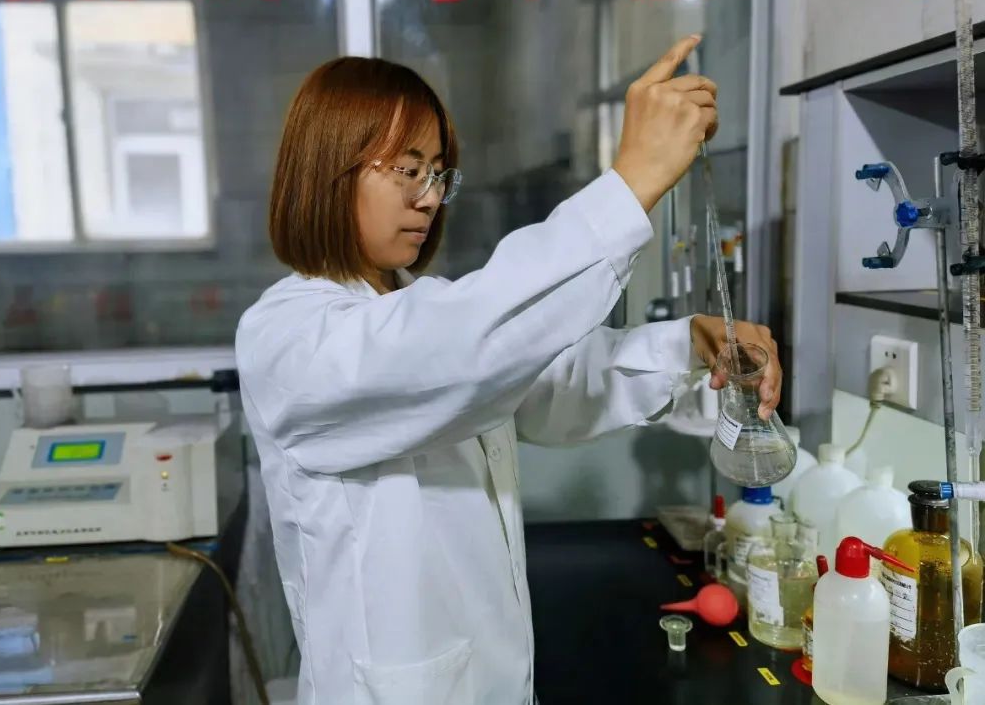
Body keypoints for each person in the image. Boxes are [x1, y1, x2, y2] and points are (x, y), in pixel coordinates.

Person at [236, 35, 782, 705]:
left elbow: (547, 381)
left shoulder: (411, 308)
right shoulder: (288, 337)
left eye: (438, 174)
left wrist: (685, 344)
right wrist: (630, 184)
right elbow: (461, 348)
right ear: (329, 170)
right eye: (407, 170)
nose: (429, 197)